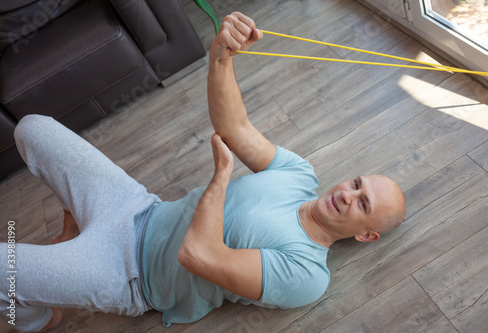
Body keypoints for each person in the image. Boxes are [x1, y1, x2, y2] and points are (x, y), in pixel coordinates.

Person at [0, 12, 406, 332]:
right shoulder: (299, 174)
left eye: (362, 203)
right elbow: (235, 129)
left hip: (128, 273)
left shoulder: (307, 275)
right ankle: (71, 235)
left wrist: (220, 178)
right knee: (32, 128)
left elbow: (197, 255)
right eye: (356, 183)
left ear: (365, 234)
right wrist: (221, 58)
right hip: (136, 207)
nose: (347, 194)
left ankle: (38, 320)